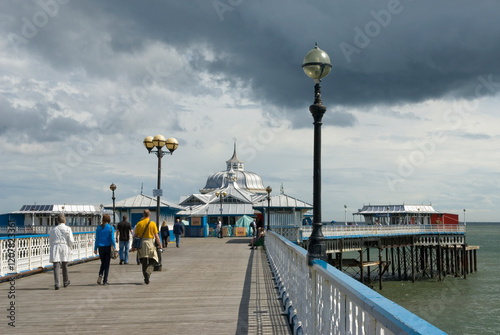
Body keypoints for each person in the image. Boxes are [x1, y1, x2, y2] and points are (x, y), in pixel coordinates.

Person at [133, 210, 162, 284]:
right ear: (149, 215)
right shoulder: (152, 223)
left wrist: (133, 246)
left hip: (141, 244)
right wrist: (160, 244)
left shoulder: (139, 224)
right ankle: (148, 272)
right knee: (154, 259)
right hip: (150, 244)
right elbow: (156, 236)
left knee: (143, 261)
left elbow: (135, 236)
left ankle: (146, 277)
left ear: (143, 215)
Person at [49, 214, 74, 290]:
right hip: (64, 246)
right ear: (65, 220)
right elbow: (71, 240)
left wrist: (52, 245)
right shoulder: (68, 229)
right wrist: (70, 246)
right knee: (64, 265)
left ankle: (57, 283)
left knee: (56, 266)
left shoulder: (54, 229)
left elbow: (51, 240)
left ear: (57, 221)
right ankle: (65, 281)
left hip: (55, 246)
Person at [94, 214, 116, 285]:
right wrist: (114, 247)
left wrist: (95, 249)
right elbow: (112, 239)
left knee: (103, 262)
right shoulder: (110, 228)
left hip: (100, 247)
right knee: (107, 264)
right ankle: (105, 280)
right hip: (108, 247)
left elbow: (96, 239)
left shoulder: (98, 228)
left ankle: (100, 274)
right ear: (109, 220)